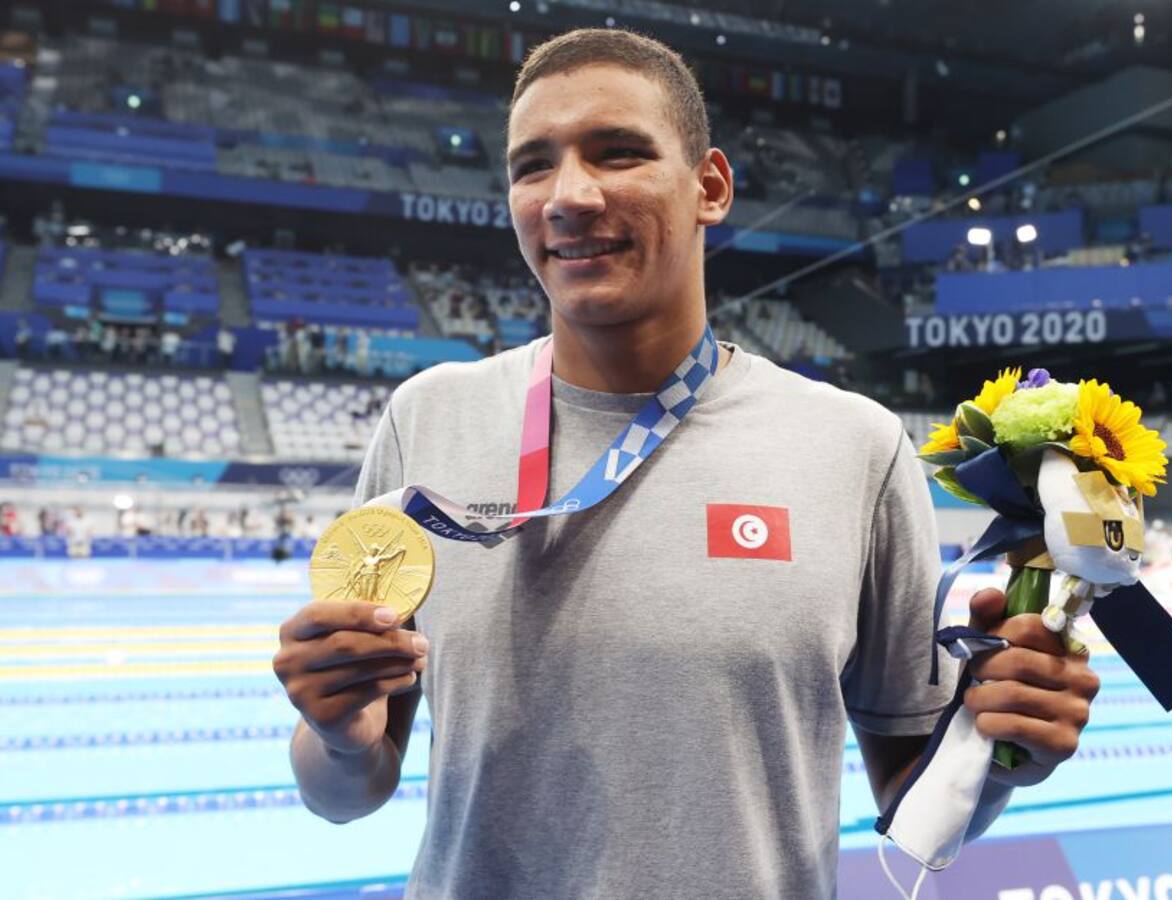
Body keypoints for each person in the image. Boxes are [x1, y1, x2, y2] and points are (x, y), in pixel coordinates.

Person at [273, 29, 1100, 900]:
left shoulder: (852, 445)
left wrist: (1001, 753)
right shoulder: (428, 418)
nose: (570, 195)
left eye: (618, 153)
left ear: (709, 186)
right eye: (532, 166)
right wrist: (337, 739)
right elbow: (345, 795)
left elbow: (918, 801)